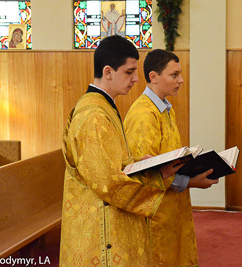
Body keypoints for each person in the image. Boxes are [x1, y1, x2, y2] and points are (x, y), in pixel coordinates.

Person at [60, 36, 182, 267]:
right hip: (99, 230)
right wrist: (156, 174)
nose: (136, 79)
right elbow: (107, 181)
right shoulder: (94, 116)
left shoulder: (103, 106)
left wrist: (139, 162)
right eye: (129, 72)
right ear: (108, 72)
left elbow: (109, 162)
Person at [124, 49, 219, 266]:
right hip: (155, 211)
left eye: (180, 74)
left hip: (172, 205)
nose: (181, 80)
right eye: (174, 75)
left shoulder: (165, 108)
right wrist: (190, 181)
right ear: (154, 77)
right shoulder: (143, 115)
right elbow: (144, 172)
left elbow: (167, 159)